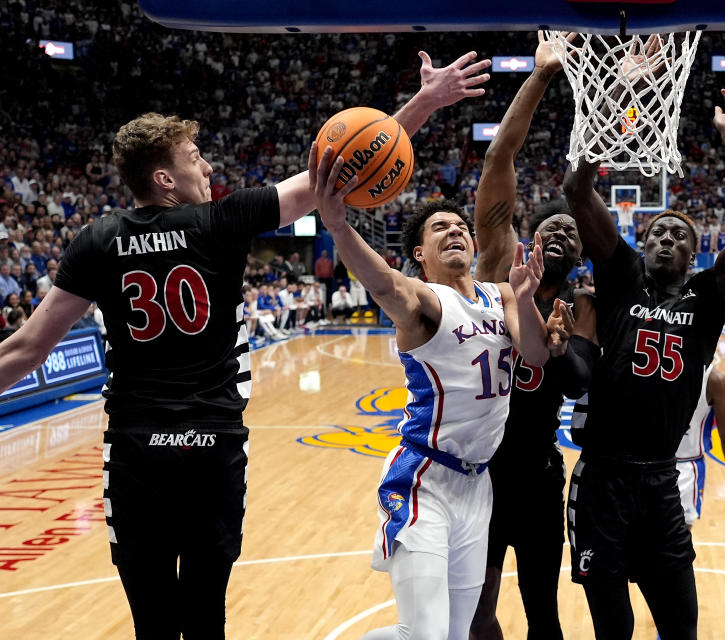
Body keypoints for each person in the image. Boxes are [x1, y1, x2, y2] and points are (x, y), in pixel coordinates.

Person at [0, 49, 492, 640]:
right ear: (165, 180)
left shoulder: (95, 240)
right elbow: (339, 170)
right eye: (195, 159)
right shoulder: (221, 222)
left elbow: (27, 348)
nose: (208, 169)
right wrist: (425, 103)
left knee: (152, 619)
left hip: (136, 451)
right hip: (213, 446)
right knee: (207, 612)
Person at [310, 139, 553, 640]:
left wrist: (527, 299)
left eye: (461, 227)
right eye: (441, 227)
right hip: (423, 480)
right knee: (423, 635)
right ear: (420, 253)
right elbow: (384, 286)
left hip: (477, 483)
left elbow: (534, 354)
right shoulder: (426, 300)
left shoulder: (502, 292)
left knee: (455, 635)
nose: (457, 231)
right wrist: (338, 224)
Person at [563, 76, 725, 639]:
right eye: (657, 231)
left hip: (661, 485)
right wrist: (610, 108)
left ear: (694, 253)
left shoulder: (707, 297)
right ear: (641, 239)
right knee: (615, 628)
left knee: (681, 628)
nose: (666, 239)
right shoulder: (621, 275)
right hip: (602, 481)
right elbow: (577, 190)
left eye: (679, 236)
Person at [469, 32, 598, 640]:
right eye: (553, 225)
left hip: (541, 473)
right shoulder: (499, 263)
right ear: (532, 232)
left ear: (581, 254)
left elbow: (579, 386)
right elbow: (499, 158)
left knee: (543, 616)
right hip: (478, 468)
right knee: (477, 611)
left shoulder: (582, 307)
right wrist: (543, 75)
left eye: (574, 234)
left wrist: (561, 345)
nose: (562, 233)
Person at [674, 364, 725, 529]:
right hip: (683, 469)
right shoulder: (714, 380)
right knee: (674, 545)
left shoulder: (714, 380)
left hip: (676, 465)